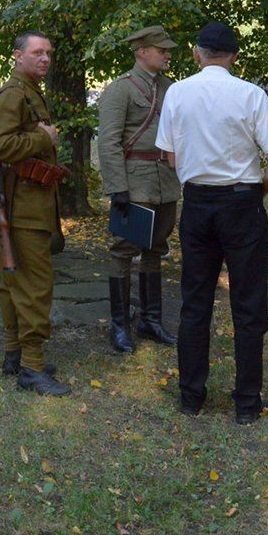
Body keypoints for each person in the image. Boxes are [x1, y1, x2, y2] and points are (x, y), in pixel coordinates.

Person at [154, 22, 268, 425]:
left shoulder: (177, 92)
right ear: (233, 56)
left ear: (198, 54)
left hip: (197, 202)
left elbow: (170, 156)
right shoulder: (250, 94)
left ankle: (191, 396)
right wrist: (257, 192)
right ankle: (247, 402)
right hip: (242, 202)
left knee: (195, 301)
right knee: (248, 304)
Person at [0, 30, 70, 396]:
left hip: (30, 203)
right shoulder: (15, 95)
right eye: (37, 53)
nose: (45, 59)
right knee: (34, 286)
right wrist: (43, 139)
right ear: (18, 56)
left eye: (48, 53)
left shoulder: (30, 92)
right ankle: (32, 367)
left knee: (14, 283)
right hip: (23, 207)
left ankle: (14, 354)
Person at [97, 25, 181, 353]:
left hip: (165, 181)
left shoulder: (171, 88)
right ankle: (120, 325)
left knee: (156, 249)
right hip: (135, 183)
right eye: (162, 49)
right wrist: (118, 188)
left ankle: (151, 320)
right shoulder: (120, 90)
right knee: (124, 249)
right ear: (142, 51)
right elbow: (109, 141)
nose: (168, 54)